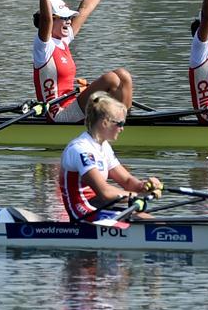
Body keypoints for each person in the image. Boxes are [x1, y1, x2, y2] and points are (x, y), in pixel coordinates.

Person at [33, 0, 133, 123]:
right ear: (53, 20)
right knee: (111, 79)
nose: (68, 21)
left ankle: (123, 119)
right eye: (64, 18)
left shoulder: (64, 40)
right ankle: (118, 122)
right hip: (59, 114)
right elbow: (46, 21)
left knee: (123, 75)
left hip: (73, 104)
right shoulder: (44, 47)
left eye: (69, 17)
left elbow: (85, 9)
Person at [59, 92, 163, 223]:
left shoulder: (103, 146)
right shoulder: (81, 149)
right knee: (152, 222)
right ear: (105, 123)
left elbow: (127, 181)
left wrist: (146, 186)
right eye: (119, 124)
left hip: (98, 206)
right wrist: (136, 196)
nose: (122, 129)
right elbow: (105, 192)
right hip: (82, 212)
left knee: (152, 220)